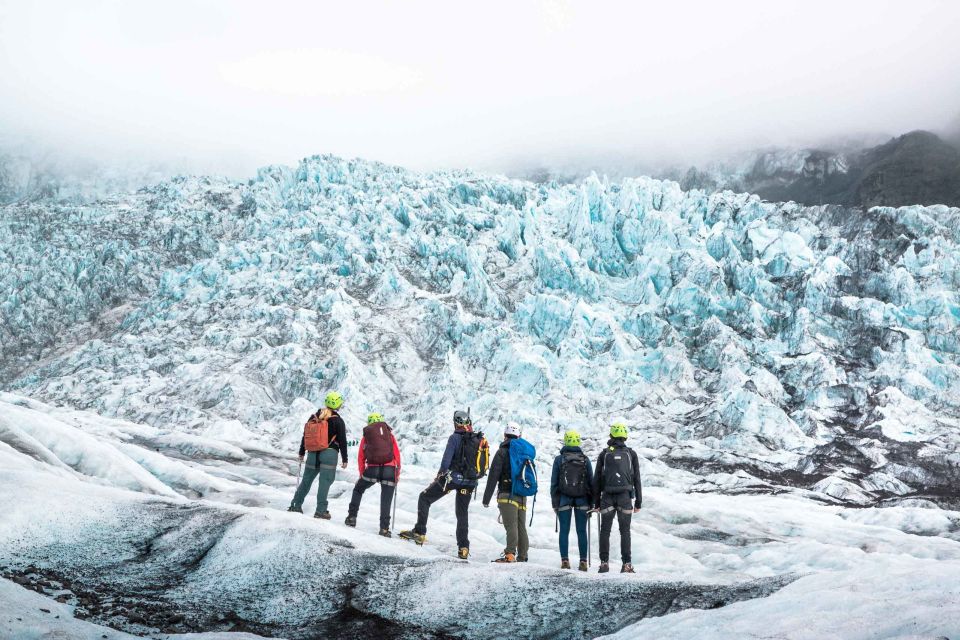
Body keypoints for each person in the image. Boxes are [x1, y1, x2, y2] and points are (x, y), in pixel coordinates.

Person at [399, 410, 489, 559]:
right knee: (462, 513)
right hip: (470, 482)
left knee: (425, 498)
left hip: (452, 479)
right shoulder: (478, 439)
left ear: (456, 423)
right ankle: (464, 547)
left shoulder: (454, 438)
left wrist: (439, 476)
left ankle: (419, 532)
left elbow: (446, 462)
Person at [288, 391, 349, 519]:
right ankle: (321, 511)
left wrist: (301, 452)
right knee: (324, 483)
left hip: (312, 454)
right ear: (338, 405)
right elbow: (342, 441)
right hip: (329, 454)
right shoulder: (338, 421)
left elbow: (306, 436)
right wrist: (345, 459)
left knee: (306, 481)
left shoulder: (314, 417)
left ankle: (295, 505)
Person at [592, 421, 642, 574]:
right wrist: (638, 502)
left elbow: (597, 480)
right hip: (625, 498)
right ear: (625, 437)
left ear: (611, 435)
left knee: (605, 531)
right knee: (625, 531)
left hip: (607, 496)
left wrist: (596, 502)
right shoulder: (631, 454)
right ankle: (626, 564)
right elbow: (637, 479)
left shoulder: (604, 453)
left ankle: (604, 563)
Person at [345, 413, 401, 537]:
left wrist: (362, 473)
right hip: (389, 470)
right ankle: (384, 529)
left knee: (358, 489)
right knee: (386, 499)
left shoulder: (367, 437)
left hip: (372, 470)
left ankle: (352, 517)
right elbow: (397, 456)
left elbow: (361, 456)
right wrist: (396, 474)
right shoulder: (389, 436)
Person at [482, 422, 530, 563]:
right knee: (521, 526)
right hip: (522, 495)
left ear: (504, 435)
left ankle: (510, 554)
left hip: (507, 494)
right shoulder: (524, 452)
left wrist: (486, 498)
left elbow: (493, 476)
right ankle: (523, 555)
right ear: (519, 436)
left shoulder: (502, 451)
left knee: (511, 526)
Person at [551, 430, 593, 571]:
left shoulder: (559, 459)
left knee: (564, 530)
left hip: (564, 499)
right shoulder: (585, 460)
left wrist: (555, 504)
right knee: (581, 531)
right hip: (582, 500)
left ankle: (565, 561)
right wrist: (592, 503)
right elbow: (591, 483)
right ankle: (583, 562)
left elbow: (554, 484)